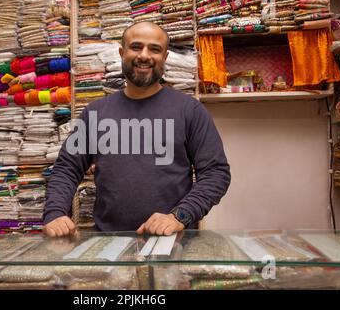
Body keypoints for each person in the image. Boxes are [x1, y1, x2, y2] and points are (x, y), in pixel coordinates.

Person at [43, 22, 231, 237]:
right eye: (136, 47)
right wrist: (55, 212)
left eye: (154, 49)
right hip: (109, 244)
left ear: (165, 57)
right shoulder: (95, 113)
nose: (144, 55)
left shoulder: (190, 110)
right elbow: (67, 168)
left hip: (173, 243)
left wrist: (179, 216)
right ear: (122, 53)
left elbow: (216, 173)